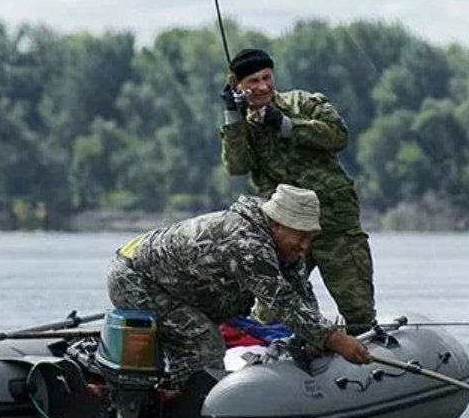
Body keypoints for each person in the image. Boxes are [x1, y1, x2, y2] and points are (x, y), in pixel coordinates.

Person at [106, 184, 371, 388]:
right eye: (300, 236)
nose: (305, 246)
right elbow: (280, 301)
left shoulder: (286, 248)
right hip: (135, 278)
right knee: (203, 343)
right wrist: (334, 340)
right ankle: (186, 412)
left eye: (311, 238)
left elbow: (301, 296)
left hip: (182, 288)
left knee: (207, 335)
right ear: (277, 226)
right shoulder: (246, 241)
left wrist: (316, 337)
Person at [219, 47, 376, 332]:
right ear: (238, 86)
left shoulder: (303, 103)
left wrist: (287, 125)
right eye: (253, 81)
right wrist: (233, 117)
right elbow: (236, 166)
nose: (263, 86)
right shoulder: (242, 125)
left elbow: (338, 136)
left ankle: (361, 353)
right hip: (285, 232)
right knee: (271, 310)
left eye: (267, 77)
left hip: (333, 222)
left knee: (358, 308)